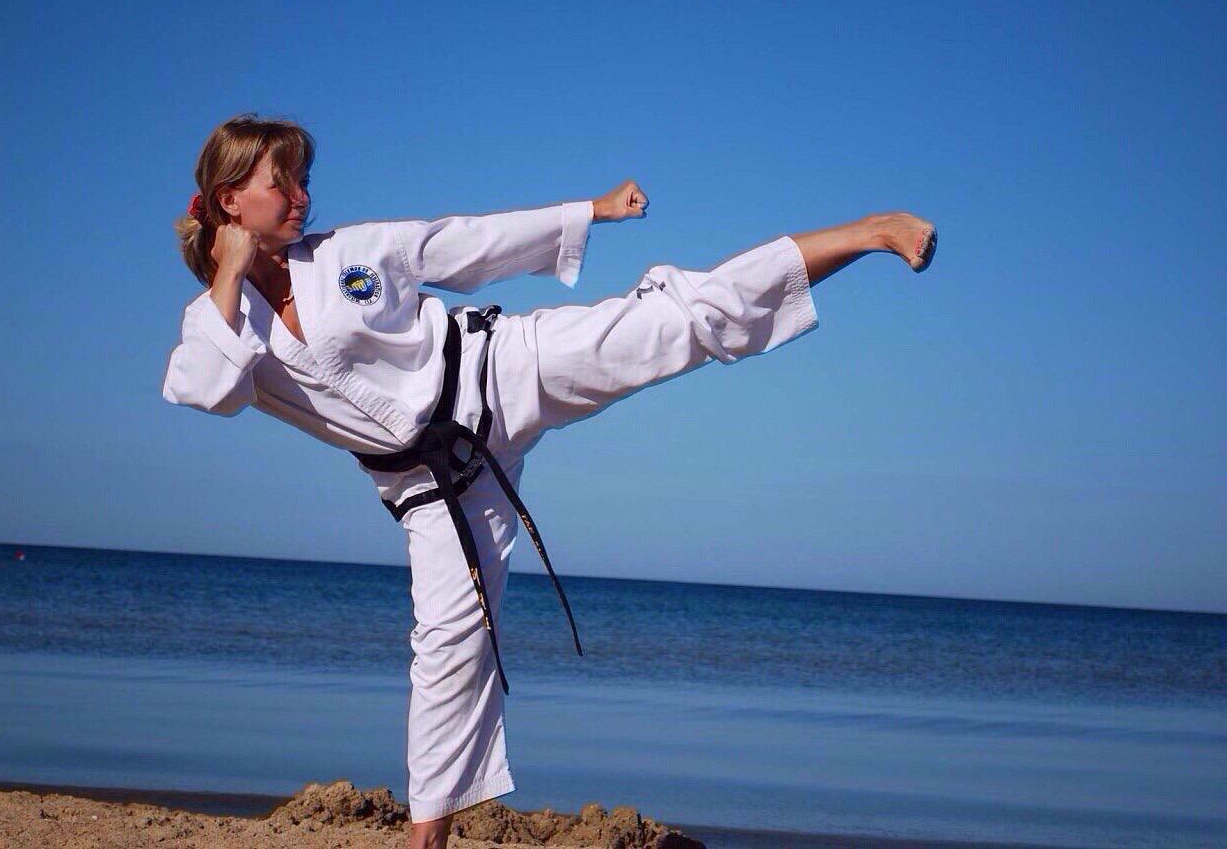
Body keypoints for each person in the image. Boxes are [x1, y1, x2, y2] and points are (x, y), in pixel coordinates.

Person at [163, 113, 936, 849]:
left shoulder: (346, 253)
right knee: (446, 654)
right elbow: (204, 388)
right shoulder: (216, 322)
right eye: (283, 182)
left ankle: (867, 232)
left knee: (675, 322)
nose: (302, 196)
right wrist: (230, 274)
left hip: (501, 371)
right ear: (231, 200)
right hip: (439, 488)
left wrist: (587, 212)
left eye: (304, 179)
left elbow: (466, 243)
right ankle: (427, 838)